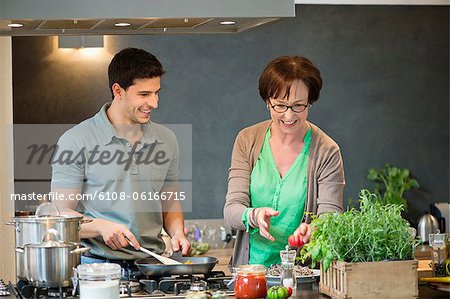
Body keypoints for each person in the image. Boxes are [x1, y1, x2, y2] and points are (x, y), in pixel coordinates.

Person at [51, 48, 190, 263]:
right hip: (97, 268)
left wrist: (177, 232)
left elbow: (169, 203)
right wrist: (100, 227)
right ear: (118, 91)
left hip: (153, 266)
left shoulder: (167, 139)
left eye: (156, 92)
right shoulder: (75, 141)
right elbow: (60, 215)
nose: (154, 103)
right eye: (144, 94)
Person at [224, 56, 345, 267]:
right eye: (279, 105)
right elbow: (232, 210)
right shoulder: (247, 140)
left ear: (311, 102)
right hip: (251, 272)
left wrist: (315, 228)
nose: (289, 116)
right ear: (267, 102)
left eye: (299, 106)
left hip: (303, 275)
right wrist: (254, 215)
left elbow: (331, 215)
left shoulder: (327, 150)